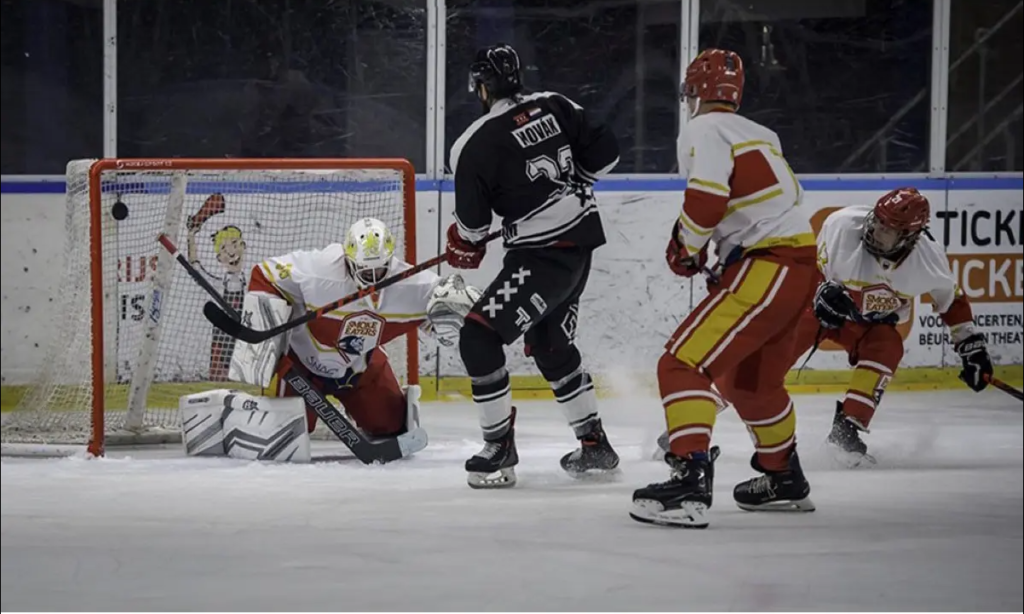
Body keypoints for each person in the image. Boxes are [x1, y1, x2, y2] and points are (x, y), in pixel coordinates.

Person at [629, 48, 819, 529]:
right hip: (796, 267)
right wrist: (721, 254)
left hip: (768, 265)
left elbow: (708, 199)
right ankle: (782, 476)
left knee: (681, 363)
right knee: (752, 386)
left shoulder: (702, 129)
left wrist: (686, 247)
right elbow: (772, 201)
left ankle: (689, 479)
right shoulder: (762, 133)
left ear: (693, 92)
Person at [442, 43, 622, 489]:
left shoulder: (473, 142)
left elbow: (472, 227)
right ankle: (594, 444)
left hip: (544, 256)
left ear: (481, 87)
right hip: (580, 245)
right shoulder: (556, 104)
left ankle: (499, 448)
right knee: (550, 346)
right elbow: (608, 154)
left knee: (478, 337)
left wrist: (463, 245)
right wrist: (569, 189)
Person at [228, 217, 480, 446]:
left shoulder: (411, 284)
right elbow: (264, 274)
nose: (372, 280)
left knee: (390, 425)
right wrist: (263, 332)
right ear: (349, 260)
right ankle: (238, 409)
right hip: (300, 368)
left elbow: (444, 303)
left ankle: (361, 403)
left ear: (390, 261)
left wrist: (453, 315)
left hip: (359, 368)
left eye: (380, 270)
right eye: (364, 271)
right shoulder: (318, 271)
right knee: (281, 437)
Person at [791, 187, 993, 466]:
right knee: (770, 353)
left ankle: (846, 430)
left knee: (887, 346)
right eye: (877, 220)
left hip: (867, 325)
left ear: (910, 237)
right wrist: (818, 292)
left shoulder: (928, 263)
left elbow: (952, 302)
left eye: (888, 229)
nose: (875, 230)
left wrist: (972, 350)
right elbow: (807, 269)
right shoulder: (842, 224)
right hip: (815, 311)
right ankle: (717, 401)